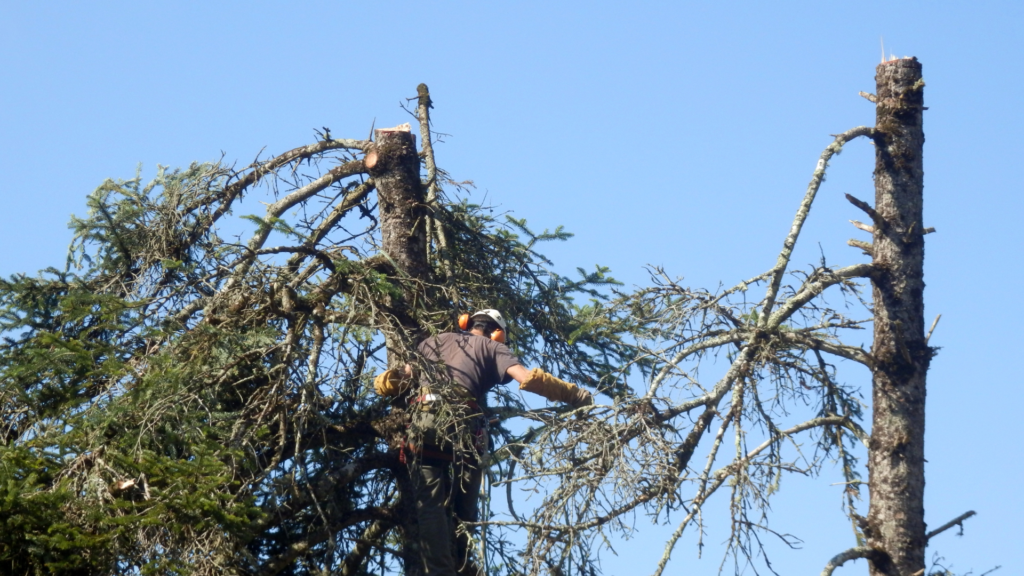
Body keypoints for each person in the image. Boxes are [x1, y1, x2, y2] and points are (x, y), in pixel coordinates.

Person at [373, 309, 593, 576]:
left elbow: (399, 379)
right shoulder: (493, 347)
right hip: (464, 428)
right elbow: (528, 378)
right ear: (497, 332)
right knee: (466, 506)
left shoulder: (433, 341)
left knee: (428, 506)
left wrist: (383, 382)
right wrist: (576, 395)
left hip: (424, 423)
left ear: (466, 323)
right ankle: (464, 561)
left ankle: (440, 571)